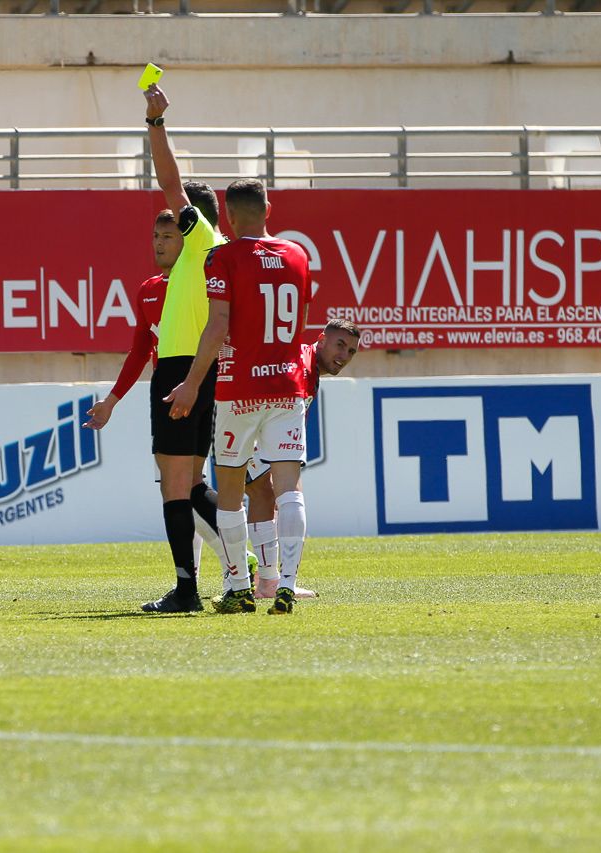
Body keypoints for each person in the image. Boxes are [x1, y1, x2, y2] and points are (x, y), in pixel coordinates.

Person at [85, 83, 228, 614]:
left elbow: (169, 181)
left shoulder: (202, 240)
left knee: (174, 487)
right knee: (192, 483)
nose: (170, 225)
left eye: (177, 221)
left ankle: (187, 588)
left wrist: (155, 123)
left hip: (180, 371)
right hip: (199, 370)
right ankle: (255, 567)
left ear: (197, 222)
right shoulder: (208, 259)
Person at [166, 177, 313, 615]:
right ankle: (286, 583)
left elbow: (218, 326)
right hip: (286, 386)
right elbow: (300, 322)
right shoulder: (298, 256)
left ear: (228, 215)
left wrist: (192, 381)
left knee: (231, 487)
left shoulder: (223, 256)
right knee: (288, 488)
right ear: (269, 207)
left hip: (239, 389)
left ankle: (238, 587)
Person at [246, 318, 360, 600]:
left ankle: (267, 582)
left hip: (243, 416)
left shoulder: (306, 363)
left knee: (261, 494)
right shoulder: (302, 365)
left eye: (351, 352)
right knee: (288, 492)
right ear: (321, 339)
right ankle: (282, 582)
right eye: (340, 345)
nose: (344, 356)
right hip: (248, 415)